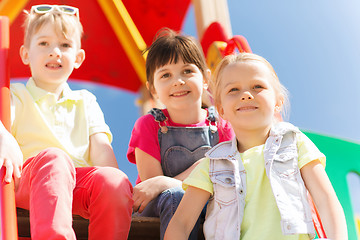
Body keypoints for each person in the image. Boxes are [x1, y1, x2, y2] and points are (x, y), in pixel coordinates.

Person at [164, 53, 348, 240]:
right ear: (221, 109)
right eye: (233, 89)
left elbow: (326, 200)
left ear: (277, 102)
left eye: (257, 86)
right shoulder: (212, 164)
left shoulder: (294, 142)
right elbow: (181, 222)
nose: (246, 95)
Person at [3, 5, 133, 240]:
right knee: (55, 158)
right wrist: (3, 135)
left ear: (78, 57)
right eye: (44, 43)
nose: (55, 52)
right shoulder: (15, 94)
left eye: (64, 45)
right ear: (25, 54)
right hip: (30, 180)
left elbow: (103, 154)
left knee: (114, 180)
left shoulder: (85, 100)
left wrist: (116, 186)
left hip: (76, 185)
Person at [127, 28, 234, 239]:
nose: (178, 81)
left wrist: (167, 181)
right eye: (166, 75)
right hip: (159, 204)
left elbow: (227, 175)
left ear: (205, 78)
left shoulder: (222, 126)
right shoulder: (149, 125)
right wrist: (200, 170)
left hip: (207, 200)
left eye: (187, 71)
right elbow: (152, 186)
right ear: (153, 89)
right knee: (177, 196)